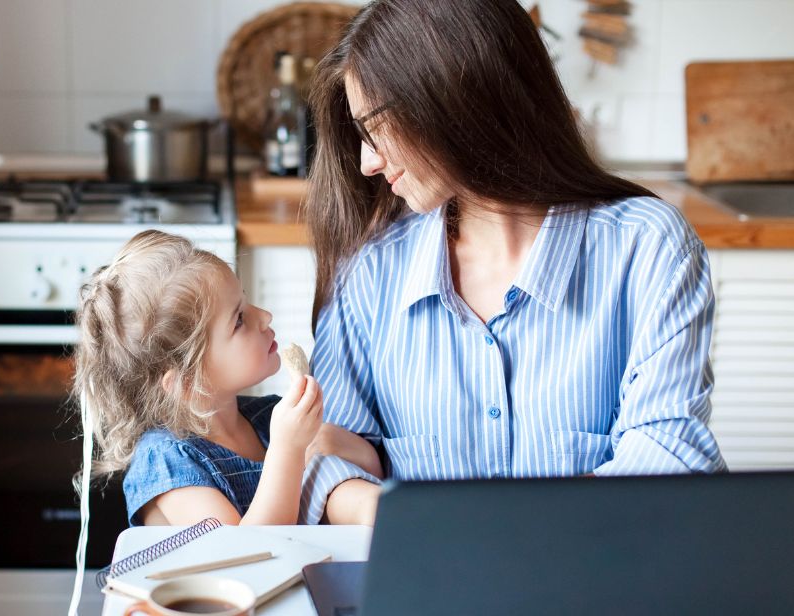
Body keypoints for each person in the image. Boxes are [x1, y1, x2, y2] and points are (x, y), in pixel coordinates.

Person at [298, 0, 727, 525]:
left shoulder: (647, 247)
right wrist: (423, 526)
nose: (367, 162)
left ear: (456, 100)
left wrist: (491, 534)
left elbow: (670, 456)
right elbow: (326, 459)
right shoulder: (367, 271)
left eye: (375, 126)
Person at [73, 230, 381, 527]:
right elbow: (243, 554)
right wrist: (288, 450)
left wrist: (333, 440)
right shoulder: (166, 461)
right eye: (239, 320)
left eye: (245, 301)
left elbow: (371, 469)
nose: (264, 316)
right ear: (187, 380)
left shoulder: (267, 418)